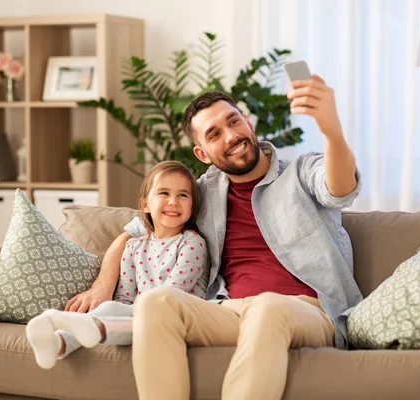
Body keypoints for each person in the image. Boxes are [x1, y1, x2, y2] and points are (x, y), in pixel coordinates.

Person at [68, 74, 362, 400]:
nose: (232, 135)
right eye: (214, 134)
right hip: (230, 311)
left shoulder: (301, 173)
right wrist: (101, 285)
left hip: (308, 312)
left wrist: (331, 130)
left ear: (247, 122)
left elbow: (340, 188)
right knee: (156, 302)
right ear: (203, 154)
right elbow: (137, 228)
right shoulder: (201, 193)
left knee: (267, 308)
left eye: (234, 121)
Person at [25, 160, 209, 370]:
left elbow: (171, 295)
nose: (173, 201)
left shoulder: (193, 243)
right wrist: (119, 309)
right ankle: (60, 343)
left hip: (179, 316)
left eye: (183, 195)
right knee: (111, 307)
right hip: (142, 314)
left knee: (140, 319)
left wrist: (136, 311)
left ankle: (90, 326)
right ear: (146, 204)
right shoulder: (133, 247)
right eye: (164, 193)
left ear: (192, 205)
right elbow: (125, 298)